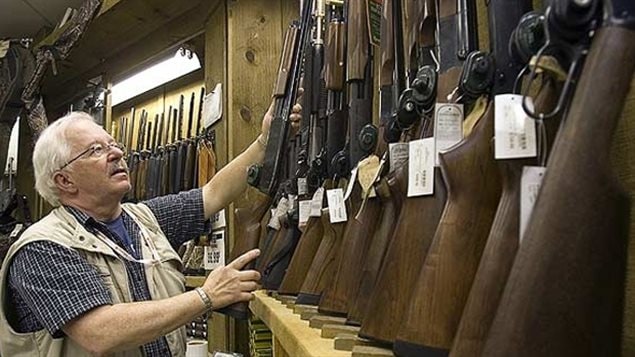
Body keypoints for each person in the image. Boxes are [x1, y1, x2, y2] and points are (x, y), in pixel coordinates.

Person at [0, 101, 302, 357]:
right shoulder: (42, 247)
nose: (117, 154)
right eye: (95, 150)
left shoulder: (144, 219)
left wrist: (266, 140)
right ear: (64, 181)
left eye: (114, 145)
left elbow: (214, 193)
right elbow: (99, 331)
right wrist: (206, 296)